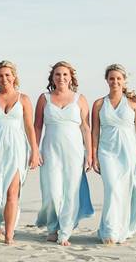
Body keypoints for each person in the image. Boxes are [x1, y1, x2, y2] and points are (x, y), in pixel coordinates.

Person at [0, 60, 40, 244]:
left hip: (17, 148)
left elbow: (29, 127)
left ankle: (9, 235)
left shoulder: (24, 99)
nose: (4, 78)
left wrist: (35, 151)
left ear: (14, 76)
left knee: (12, 193)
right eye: (0, 75)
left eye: (7, 75)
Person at [33, 61, 94, 246]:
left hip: (74, 151)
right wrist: (34, 150)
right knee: (52, 191)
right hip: (50, 150)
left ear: (71, 78)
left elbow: (85, 127)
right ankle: (52, 227)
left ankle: (65, 232)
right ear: (52, 77)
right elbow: (37, 126)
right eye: (57, 74)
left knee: (71, 192)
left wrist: (90, 154)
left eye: (65, 74)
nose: (61, 78)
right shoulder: (44, 98)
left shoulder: (80, 99)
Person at [93, 63, 136, 244]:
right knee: (112, 188)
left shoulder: (134, 104)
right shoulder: (99, 104)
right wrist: (93, 156)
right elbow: (95, 132)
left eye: (118, 78)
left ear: (124, 80)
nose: (115, 82)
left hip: (128, 152)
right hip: (106, 152)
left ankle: (121, 229)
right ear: (106, 80)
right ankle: (109, 231)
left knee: (124, 191)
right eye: (111, 78)